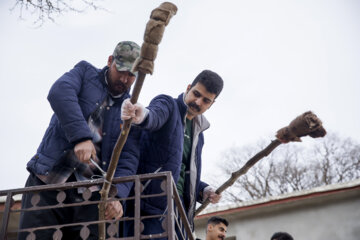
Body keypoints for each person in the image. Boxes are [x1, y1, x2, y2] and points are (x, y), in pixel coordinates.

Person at [18, 41, 141, 240]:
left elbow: (129, 157)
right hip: (47, 182)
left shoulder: (131, 111)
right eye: (121, 70)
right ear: (110, 61)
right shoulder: (84, 72)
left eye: (132, 75)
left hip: (91, 196)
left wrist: (117, 196)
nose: (125, 79)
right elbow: (59, 92)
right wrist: (81, 137)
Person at [121, 70, 224, 238]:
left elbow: (181, 169)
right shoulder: (168, 105)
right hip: (151, 206)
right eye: (196, 94)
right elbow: (154, 115)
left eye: (206, 100)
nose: (198, 102)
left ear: (212, 104)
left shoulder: (199, 134)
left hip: (181, 214)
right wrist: (142, 115)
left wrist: (203, 190)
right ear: (188, 88)